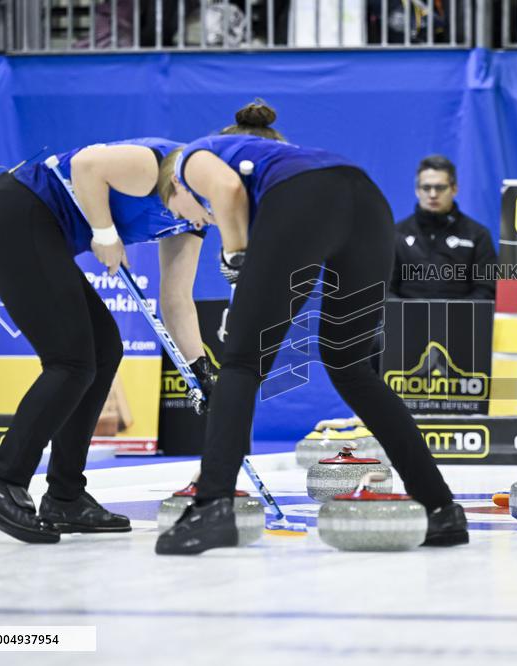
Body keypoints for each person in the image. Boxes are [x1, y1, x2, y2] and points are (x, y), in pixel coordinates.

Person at [153, 105, 469, 555]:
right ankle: (441, 508)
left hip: (308, 202)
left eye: (181, 209)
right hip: (369, 205)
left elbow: (223, 190)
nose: (191, 218)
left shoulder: (192, 157)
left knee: (242, 360)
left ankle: (212, 508)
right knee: (351, 366)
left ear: (174, 184)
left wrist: (233, 258)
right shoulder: (285, 160)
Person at [0, 138, 217, 544]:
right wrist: (104, 233)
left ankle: (65, 495)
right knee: (72, 359)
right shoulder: (154, 166)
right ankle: (1, 482)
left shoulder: (189, 223)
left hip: (42, 231)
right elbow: (86, 165)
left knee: (102, 350)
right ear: (189, 185)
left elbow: (177, 300)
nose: (209, 222)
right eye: (209, 210)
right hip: (14, 213)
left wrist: (200, 369)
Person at [390, 155, 497, 300]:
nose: (433, 194)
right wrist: (409, 313)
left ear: (454, 189)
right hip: (408, 320)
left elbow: (487, 288)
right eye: (426, 188)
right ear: (417, 191)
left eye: (440, 188)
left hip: (462, 320)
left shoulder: (477, 235)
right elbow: (386, 289)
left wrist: (452, 314)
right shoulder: (397, 234)